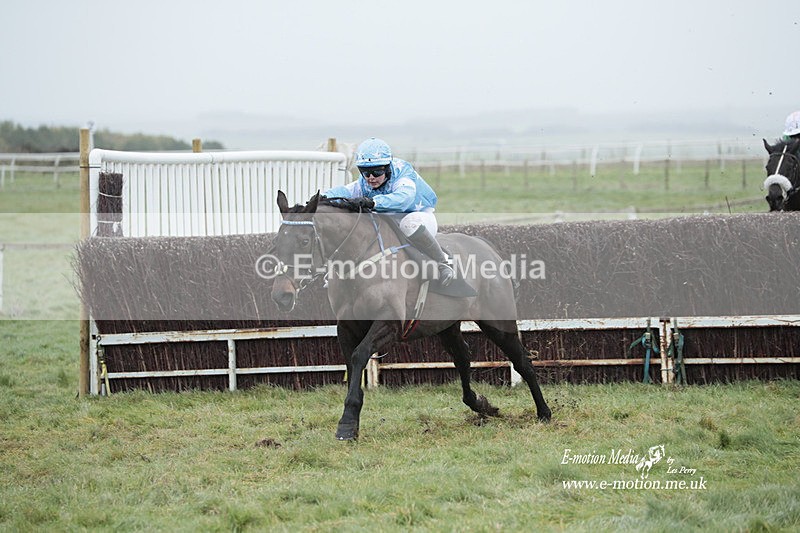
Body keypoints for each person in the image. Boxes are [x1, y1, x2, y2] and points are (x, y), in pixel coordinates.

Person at [324, 137, 455, 286]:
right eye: (365, 172)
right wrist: (322, 198)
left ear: (387, 168)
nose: (371, 177)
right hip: (389, 218)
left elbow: (404, 198)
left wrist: (372, 202)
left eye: (377, 171)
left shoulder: (402, 173)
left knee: (408, 224)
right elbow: (343, 192)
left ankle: (443, 262)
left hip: (417, 217)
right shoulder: (364, 182)